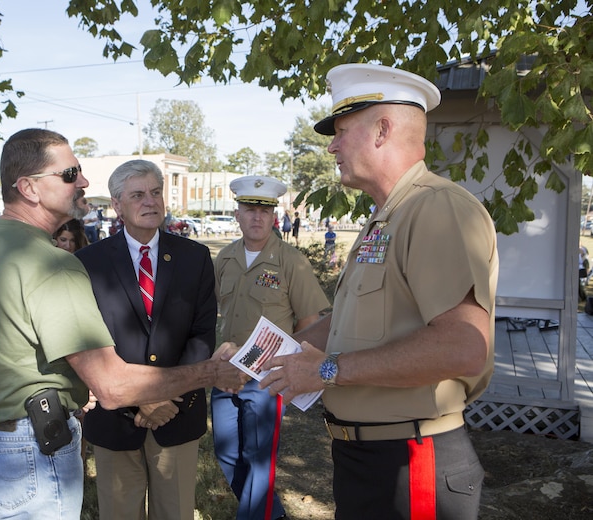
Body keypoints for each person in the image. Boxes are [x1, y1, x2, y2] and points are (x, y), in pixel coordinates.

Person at [0, 128, 244, 520]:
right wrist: (212, 372)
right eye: (70, 175)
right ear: (29, 188)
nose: (83, 182)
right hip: (25, 450)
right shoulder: (49, 262)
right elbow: (112, 385)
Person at [257, 63, 499, 520]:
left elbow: (464, 346)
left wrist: (326, 369)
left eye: (342, 130)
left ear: (382, 130)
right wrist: (272, 358)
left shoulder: (435, 208)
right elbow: (349, 326)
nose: (331, 145)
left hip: (411, 460)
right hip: (370, 459)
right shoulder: (388, 215)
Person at [75, 159, 217, 520]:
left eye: (156, 192)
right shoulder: (87, 263)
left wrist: (162, 395)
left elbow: (202, 336)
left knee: (176, 513)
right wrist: (140, 399)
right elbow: (88, 341)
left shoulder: (194, 257)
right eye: (137, 195)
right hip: (114, 419)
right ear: (117, 205)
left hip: (177, 412)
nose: (150, 201)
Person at [211, 175, 329, 520]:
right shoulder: (226, 258)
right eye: (249, 208)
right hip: (228, 375)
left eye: (264, 210)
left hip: (267, 379)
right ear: (237, 213)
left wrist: (294, 368)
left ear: (274, 216)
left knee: (259, 460)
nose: (257, 216)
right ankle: (271, 514)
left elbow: (311, 324)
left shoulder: (291, 262)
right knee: (227, 453)